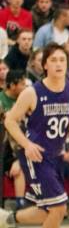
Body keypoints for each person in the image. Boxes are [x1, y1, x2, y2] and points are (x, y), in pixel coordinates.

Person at [0, 43, 69, 228]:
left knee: (47, 211)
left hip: (56, 156)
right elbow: (9, 121)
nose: (58, 64)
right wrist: (26, 144)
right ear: (44, 64)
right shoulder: (32, 92)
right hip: (35, 157)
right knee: (59, 208)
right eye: (53, 60)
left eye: (62, 60)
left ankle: (7, 219)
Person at [0, 70, 28, 211]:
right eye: (22, 84)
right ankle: (19, 206)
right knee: (18, 168)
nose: (25, 87)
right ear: (12, 85)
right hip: (5, 148)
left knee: (20, 167)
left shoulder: (25, 100)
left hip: (22, 147)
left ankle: (22, 205)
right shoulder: (0, 101)